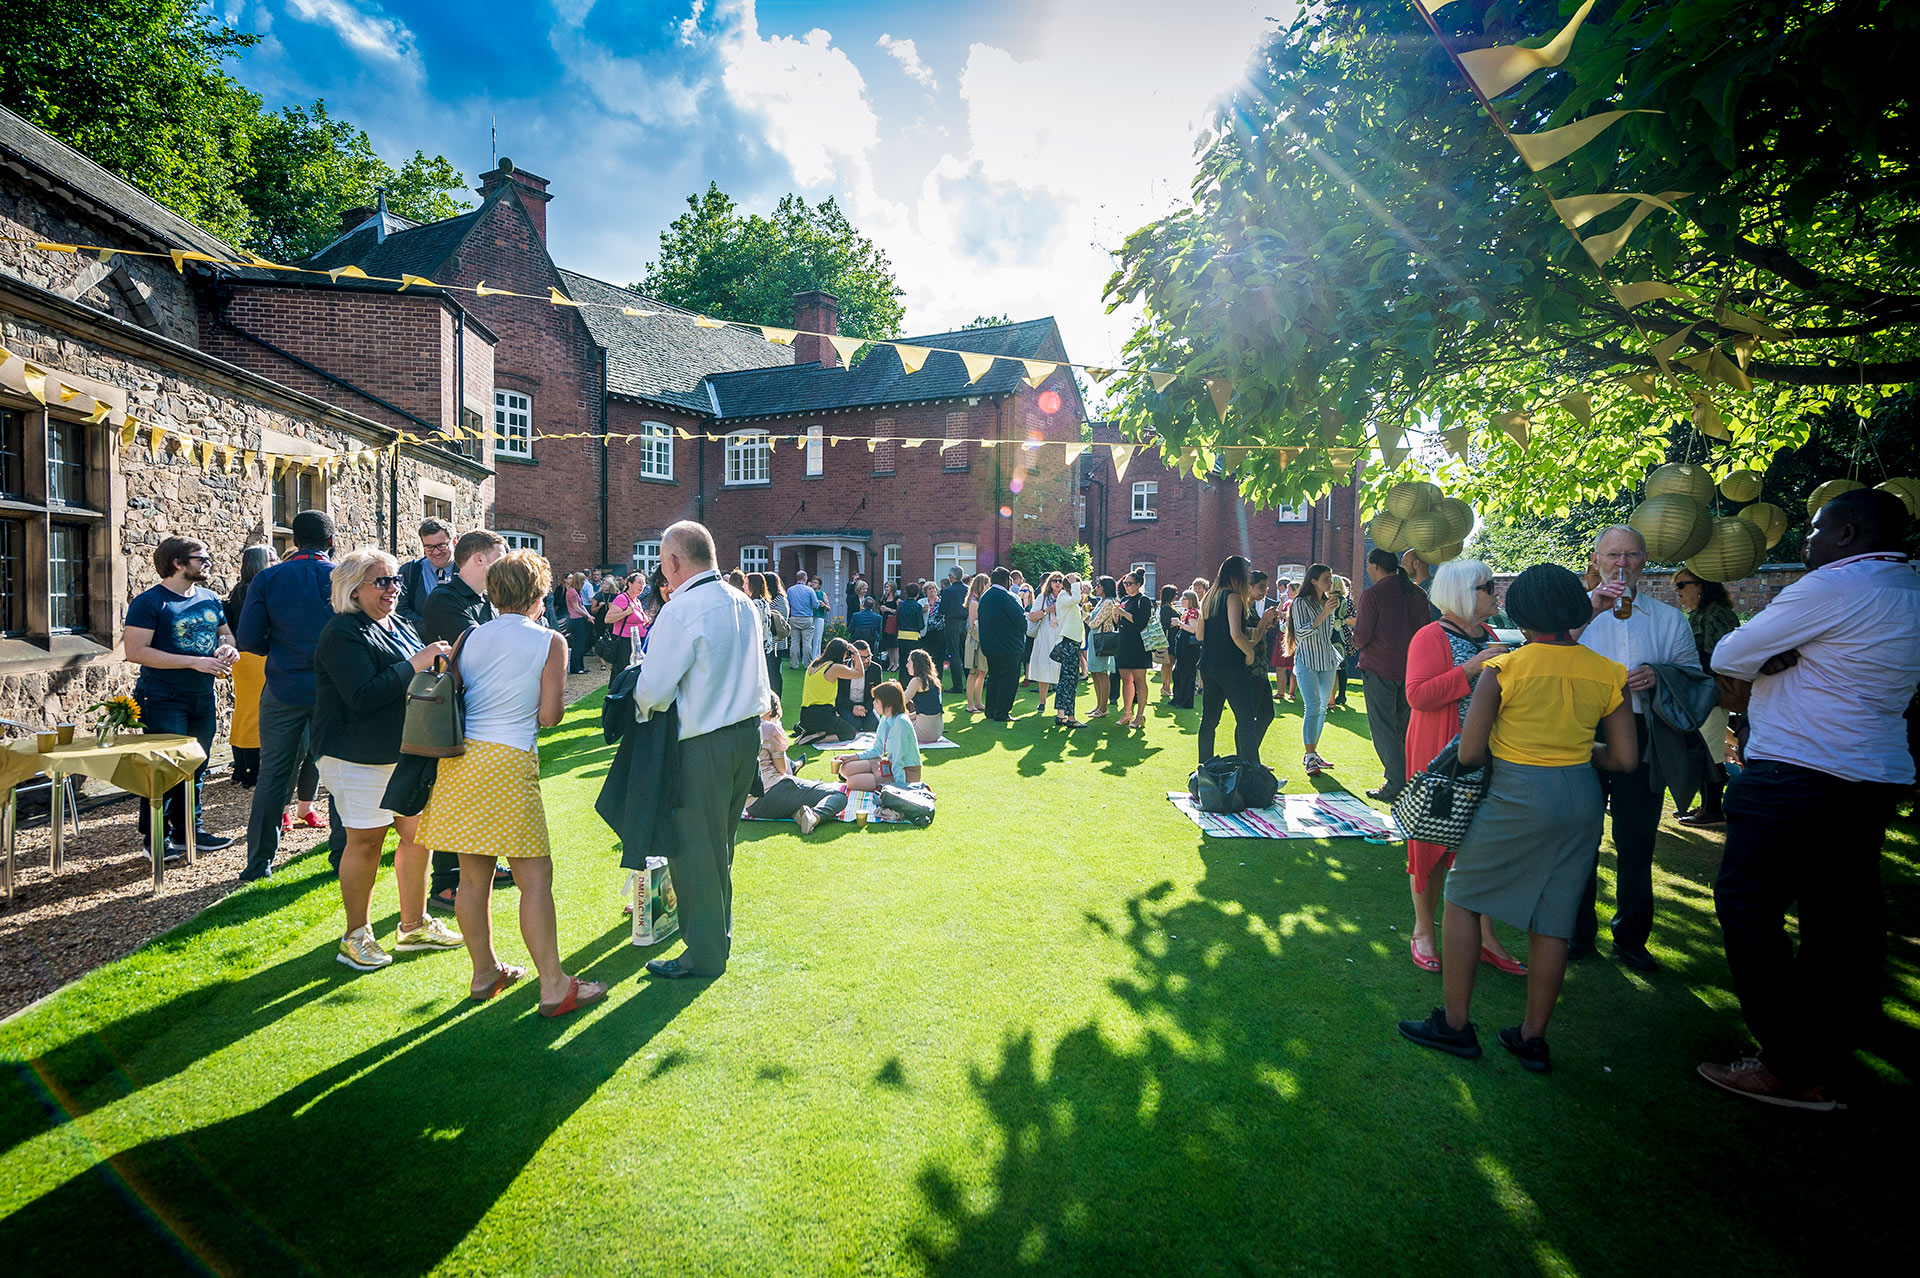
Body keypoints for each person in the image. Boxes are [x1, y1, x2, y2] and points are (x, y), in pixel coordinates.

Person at [1699, 488, 1920, 1110]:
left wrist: (1772, 660)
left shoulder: (1833, 587)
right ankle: (1833, 1041)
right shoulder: (1909, 588)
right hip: (1871, 776)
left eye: (1817, 528)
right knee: (1840, 916)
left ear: (1848, 534)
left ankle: (1791, 1064)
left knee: (1748, 906)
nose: (1806, 541)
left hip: (1799, 770)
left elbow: (1731, 653)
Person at [1398, 565, 1639, 1072]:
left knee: (1461, 899)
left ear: (1523, 614)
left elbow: (1469, 751)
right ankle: (1532, 1038)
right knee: (1553, 920)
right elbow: (1623, 759)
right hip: (1581, 797)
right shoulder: (1608, 672)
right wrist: (1574, 750)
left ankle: (1456, 1026)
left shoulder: (1504, 669)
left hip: (1517, 793)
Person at [409, 550, 605, 1014]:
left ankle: (484, 973)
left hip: (460, 761)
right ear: (539, 594)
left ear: (493, 592)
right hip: (510, 759)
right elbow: (551, 716)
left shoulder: (469, 636)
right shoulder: (550, 641)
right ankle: (554, 986)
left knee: (472, 879)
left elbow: (453, 696)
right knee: (535, 880)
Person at [629, 521, 772, 980]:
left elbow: (653, 691)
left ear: (673, 562)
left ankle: (705, 953)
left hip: (703, 742)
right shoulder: (743, 600)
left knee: (694, 850)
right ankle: (716, 939)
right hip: (745, 735)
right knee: (719, 845)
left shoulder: (682, 609)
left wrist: (637, 695)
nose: (661, 574)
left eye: (662, 565)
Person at [312, 548, 459, 971]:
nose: (394, 589)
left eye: (397, 580)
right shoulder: (342, 632)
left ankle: (413, 925)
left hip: (402, 750)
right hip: (355, 754)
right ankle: (355, 935)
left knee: (417, 837)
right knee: (365, 842)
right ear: (353, 590)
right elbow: (362, 695)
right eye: (383, 582)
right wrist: (416, 662)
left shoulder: (395, 623)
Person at [1575, 524, 1702, 971]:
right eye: (1612, 555)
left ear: (1645, 561)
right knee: (1580, 836)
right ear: (1596, 561)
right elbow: (1549, 656)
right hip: (1585, 732)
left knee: (1637, 840)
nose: (1621, 564)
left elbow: (1693, 682)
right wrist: (1589, 611)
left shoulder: (1668, 620)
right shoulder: (1579, 617)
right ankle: (1577, 932)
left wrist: (1660, 674)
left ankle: (1631, 939)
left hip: (1645, 731)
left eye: (1630, 555)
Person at [1403, 559, 1524, 975]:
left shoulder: (1494, 634)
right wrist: (1469, 670)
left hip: (1492, 758)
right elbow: (1417, 696)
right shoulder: (1430, 636)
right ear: (1461, 594)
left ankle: (1486, 937)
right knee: (1432, 846)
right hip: (1443, 760)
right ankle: (1423, 930)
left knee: (1482, 850)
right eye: (1487, 587)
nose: (1496, 593)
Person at [237, 510, 338, 880]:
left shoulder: (268, 577)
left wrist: (279, 649)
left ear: (294, 542)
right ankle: (341, 857)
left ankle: (258, 863)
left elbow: (247, 639)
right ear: (330, 541)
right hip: (333, 689)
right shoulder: (342, 576)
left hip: (283, 687)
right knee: (338, 772)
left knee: (273, 776)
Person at [123, 536, 239, 856]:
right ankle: (156, 840)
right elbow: (135, 652)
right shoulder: (149, 603)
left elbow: (225, 634)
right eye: (201, 558)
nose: (208, 563)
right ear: (178, 563)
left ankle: (189, 833)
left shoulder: (210, 598)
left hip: (202, 695)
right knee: (165, 768)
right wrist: (194, 661)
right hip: (161, 696)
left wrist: (228, 648)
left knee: (196, 766)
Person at [416, 528, 507, 915]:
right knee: (450, 797)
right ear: (480, 559)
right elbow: (481, 653)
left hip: (478, 711)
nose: (505, 567)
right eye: (500, 558)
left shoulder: (484, 599)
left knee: (479, 797)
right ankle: (446, 883)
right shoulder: (445, 600)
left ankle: (481, 863)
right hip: (449, 713)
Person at [227, 546, 318, 831]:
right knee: (291, 747)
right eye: (272, 558)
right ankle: (283, 807)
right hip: (269, 668)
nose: (278, 562)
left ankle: (307, 805)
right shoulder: (250, 590)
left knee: (314, 746)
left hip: (312, 673)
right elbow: (249, 635)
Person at [1355, 547, 1436, 802]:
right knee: (1404, 728)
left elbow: (1362, 636)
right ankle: (1409, 780)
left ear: (1375, 566)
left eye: (1369, 565)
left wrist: (1356, 640)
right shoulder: (1417, 593)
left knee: (1384, 729)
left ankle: (1396, 783)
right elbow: (1425, 630)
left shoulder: (1373, 594)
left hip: (1380, 667)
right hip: (1411, 668)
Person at [1669, 570, 1740, 826]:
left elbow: (1720, 658)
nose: (1677, 590)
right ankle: (1705, 807)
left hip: (1710, 692)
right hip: (1697, 692)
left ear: (1701, 586)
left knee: (1711, 752)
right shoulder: (1699, 615)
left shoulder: (1717, 614)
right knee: (1702, 750)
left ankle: (1712, 810)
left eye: (1681, 584)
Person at [1195, 556, 1273, 764]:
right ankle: (1251, 771)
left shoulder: (1209, 597)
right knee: (1246, 720)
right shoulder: (1233, 597)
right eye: (1247, 574)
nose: (1248, 578)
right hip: (1231, 667)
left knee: (1209, 721)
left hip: (1208, 665)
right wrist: (1250, 654)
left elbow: (1199, 635)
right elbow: (1236, 634)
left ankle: (1204, 769)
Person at [749, 694, 850, 832]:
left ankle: (799, 814)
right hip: (772, 791)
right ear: (770, 709)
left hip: (750, 805)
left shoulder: (740, 727)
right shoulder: (770, 728)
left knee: (803, 791)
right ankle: (814, 816)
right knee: (838, 796)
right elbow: (782, 769)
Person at [1291, 564, 1344, 775]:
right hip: (1307, 660)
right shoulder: (1300, 602)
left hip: (1327, 659)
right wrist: (1324, 613)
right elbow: (1301, 633)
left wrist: (1330, 611)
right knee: (1312, 707)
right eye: (1325, 579)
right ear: (1313, 580)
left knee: (1322, 708)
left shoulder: (1328, 602)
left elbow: (1329, 632)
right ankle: (1310, 757)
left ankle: (1312, 753)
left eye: (1330, 579)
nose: (1330, 583)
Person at [833, 682, 925, 790]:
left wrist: (900, 786)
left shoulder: (901, 722)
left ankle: (877, 780)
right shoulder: (885, 718)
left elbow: (898, 758)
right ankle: (873, 777)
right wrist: (853, 756)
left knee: (852, 782)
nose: (873, 703)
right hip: (889, 764)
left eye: (877, 701)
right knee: (845, 768)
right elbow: (877, 750)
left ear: (889, 705)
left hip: (905, 772)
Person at [978, 567, 1029, 723]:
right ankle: (1002, 713)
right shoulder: (1008, 597)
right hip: (1009, 647)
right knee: (1008, 681)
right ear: (1007, 580)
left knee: (994, 678)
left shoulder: (985, 596)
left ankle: (991, 710)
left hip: (990, 646)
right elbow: (1020, 621)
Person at [799, 637, 866, 743]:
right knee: (850, 733)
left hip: (805, 714)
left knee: (834, 725)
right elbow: (859, 673)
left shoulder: (813, 664)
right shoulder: (834, 667)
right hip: (822, 714)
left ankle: (810, 733)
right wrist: (856, 653)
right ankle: (818, 739)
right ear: (841, 653)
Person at [395, 517, 456, 632]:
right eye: (429, 547)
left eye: (441, 545)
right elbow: (400, 610)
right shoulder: (410, 571)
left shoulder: (467, 570)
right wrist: (432, 629)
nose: (436, 552)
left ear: (454, 542)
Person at [1113, 570, 1154, 728]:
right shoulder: (1124, 599)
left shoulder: (1143, 600)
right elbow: (1120, 624)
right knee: (1125, 680)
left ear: (1138, 585)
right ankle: (1127, 713)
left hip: (1139, 646)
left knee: (1139, 681)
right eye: (1125, 583)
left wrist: (1123, 612)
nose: (1126, 586)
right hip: (1124, 643)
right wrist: (1116, 615)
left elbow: (1140, 623)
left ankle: (1140, 715)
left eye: (1129, 583)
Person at [1084, 576, 1120, 718]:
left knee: (1102, 673)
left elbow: (1094, 623)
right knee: (1094, 672)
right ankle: (1099, 705)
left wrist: (1084, 615)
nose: (1096, 588)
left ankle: (1103, 708)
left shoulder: (1108, 603)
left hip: (1101, 640)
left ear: (1106, 587)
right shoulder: (1101, 602)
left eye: (1099, 585)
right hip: (1094, 639)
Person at [1027, 572, 1064, 706]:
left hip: (1060, 637)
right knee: (1044, 669)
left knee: (1061, 671)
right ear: (1050, 582)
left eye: (1060, 580)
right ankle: (1042, 701)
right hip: (1044, 636)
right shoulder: (1042, 598)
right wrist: (1047, 610)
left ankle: (1060, 704)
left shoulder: (1065, 598)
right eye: (1055, 580)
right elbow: (1032, 617)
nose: (1058, 583)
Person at [602, 571, 647, 679]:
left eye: (644, 583)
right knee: (623, 671)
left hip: (637, 641)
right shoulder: (622, 599)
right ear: (630, 584)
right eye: (639, 582)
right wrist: (626, 612)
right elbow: (608, 619)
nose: (642, 586)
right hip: (624, 642)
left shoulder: (637, 601)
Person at [903, 648, 948, 744]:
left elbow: (900, 701)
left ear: (916, 664)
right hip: (937, 731)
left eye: (909, 663)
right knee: (907, 713)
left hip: (924, 733)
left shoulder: (917, 681)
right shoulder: (934, 680)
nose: (906, 666)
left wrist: (893, 689)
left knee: (896, 723)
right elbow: (927, 710)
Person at [746, 573, 780, 694]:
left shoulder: (754, 604)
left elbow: (755, 627)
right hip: (766, 643)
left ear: (752, 585)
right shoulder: (764, 602)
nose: (744, 587)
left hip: (758, 645)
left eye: (746, 583)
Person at [939, 568, 971, 692]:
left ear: (952, 577)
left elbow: (942, 609)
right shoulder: (967, 589)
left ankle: (957, 686)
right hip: (965, 622)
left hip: (952, 623)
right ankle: (970, 681)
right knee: (965, 654)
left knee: (954, 654)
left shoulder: (948, 591)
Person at [962, 574, 990, 713]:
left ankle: (979, 702)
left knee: (982, 672)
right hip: (975, 641)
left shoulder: (980, 600)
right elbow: (972, 627)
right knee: (973, 673)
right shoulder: (974, 602)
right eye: (987, 584)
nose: (988, 587)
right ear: (982, 585)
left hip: (981, 639)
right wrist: (984, 639)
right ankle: (970, 704)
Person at [1170, 589, 1202, 710]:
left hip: (1190, 647)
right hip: (1184, 646)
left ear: (1191, 600)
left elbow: (1193, 629)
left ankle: (1186, 701)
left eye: (1184, 598)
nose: (1181, 601)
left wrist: (1179, 623)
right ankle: (1178, 698)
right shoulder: (1187, 612)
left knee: (1187, 674)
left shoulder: (1193, 612)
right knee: (1179, 672)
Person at [786, 569, 822, 669]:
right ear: (805, 579)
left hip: (794, 617)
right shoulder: (809, 590)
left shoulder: (790, 590)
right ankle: (807, 664)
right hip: (807, 618)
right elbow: (816, 605)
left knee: (794, 642)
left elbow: (787, 604)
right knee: (807, 643)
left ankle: (794, 664)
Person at [763, 570, 790, 690]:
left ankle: (776, 699)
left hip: (776, 642)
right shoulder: (772, 599)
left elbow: (782, 620)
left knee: (774, 673)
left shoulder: (780, 600)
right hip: (769, 641)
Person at [1272, 580, 1298, 702]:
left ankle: (1292, 692)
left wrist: (1283, 614)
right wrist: (1282, 602)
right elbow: (1277, 614)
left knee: (1294, 666)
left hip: (1294, 637)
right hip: (1282, 636)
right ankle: (1280, 692)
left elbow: (1291, 616)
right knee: (1280, 666)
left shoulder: (1299, 603)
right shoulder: (1286, 602)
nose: (1287, 592)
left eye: (1290, 589)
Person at [561, 572, 590, 675]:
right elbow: (577, 608)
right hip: (575, 620)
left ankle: (580, 666)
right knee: (578, 644)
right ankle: (576, 668)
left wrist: (588, 616)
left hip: (579, 619)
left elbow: (582, 606)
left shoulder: (576, 592)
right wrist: (587, 616)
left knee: (581, 644)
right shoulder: (572, 592)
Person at [1156, 584, 1179, 700]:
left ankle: (1166, 687)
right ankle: (1165, 687)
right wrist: (1175, 624)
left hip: (1172, 638)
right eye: (1175, 593)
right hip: (1169, 639)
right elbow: (1165, 624)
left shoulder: (1168, 606)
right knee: (1167, 664)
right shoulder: (1165, 608)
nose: (1176, 596)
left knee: (1170, 663)